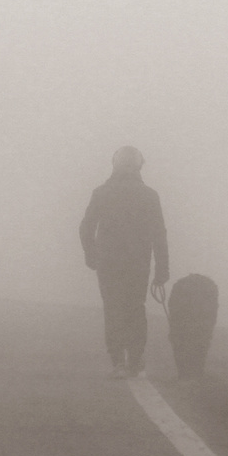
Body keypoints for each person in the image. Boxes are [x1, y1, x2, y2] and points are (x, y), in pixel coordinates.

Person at [78, 145, 169, 378]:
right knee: (136, 308)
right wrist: (162, 269)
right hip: (138, 263)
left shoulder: (101, 192)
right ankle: (135, 360)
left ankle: (117, 361)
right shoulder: (149, 195)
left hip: (108, 262)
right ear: (140, 165)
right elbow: (159, 234)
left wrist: (91, 255)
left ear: (114, 164)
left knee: (113, 308)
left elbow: (86, 227)